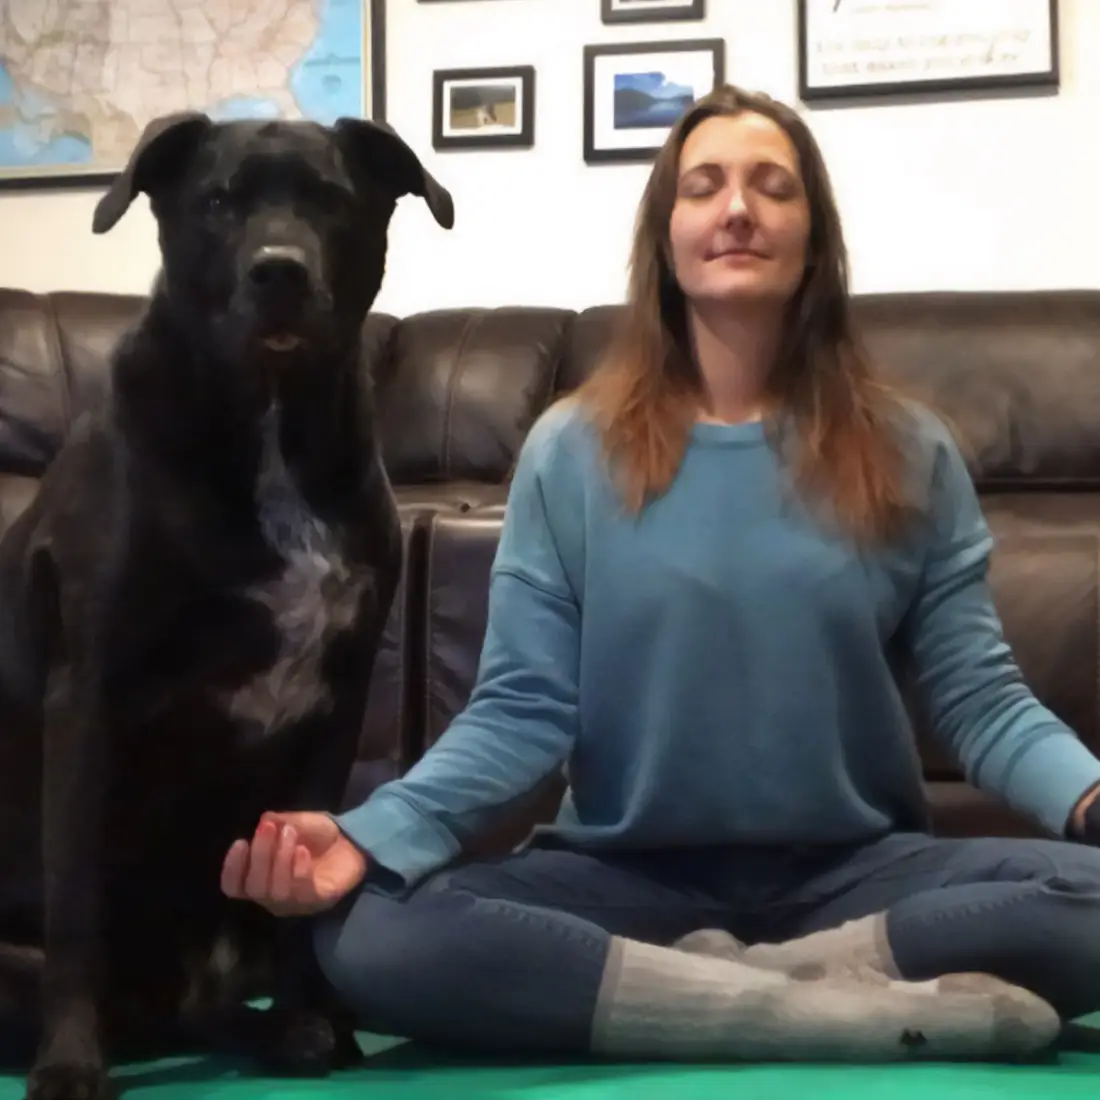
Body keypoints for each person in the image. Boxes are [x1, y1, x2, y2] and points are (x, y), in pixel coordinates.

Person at [220, 84, 1100, 1064]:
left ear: (814, 239)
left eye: (773, 187)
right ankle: (820, 1009)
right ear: (666, 236)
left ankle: (697, 993)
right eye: (704, 185)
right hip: (623, 881)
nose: (738, 208)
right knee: (370, 931)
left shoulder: (908, 448)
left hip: (858, 877)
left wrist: (1090, 797)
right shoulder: (569, 451)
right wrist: (372, 832)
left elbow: (982, 701)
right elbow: (519, 709)